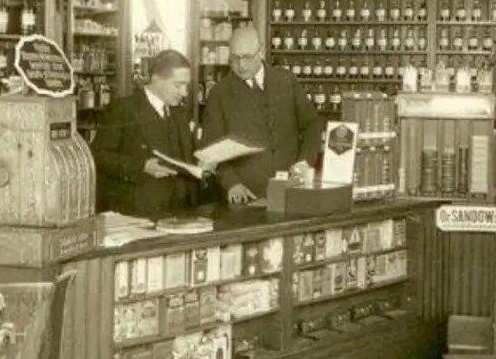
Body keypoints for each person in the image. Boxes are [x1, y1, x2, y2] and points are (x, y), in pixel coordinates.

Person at [199, 26, 324, 205]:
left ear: (261, 51)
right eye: (235, 58)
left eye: (247, 57)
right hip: (246, 196)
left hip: (291, 189)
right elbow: (211, 147)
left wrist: (304, 161)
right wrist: (232, 184)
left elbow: (311, 124)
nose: (241, 65)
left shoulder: (287, 81)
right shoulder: (219, 93)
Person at [90, 49, 210, 218]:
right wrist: (141, 166)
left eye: (186, 85)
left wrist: (203, 161)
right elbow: (97, 156)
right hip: (139, 213)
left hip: (181, 211)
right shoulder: (123, 109)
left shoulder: (180, 112)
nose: (184, 92)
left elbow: (186, 155)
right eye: (178, 85)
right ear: (156, 79)